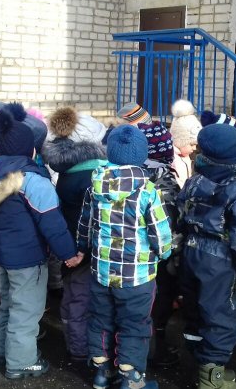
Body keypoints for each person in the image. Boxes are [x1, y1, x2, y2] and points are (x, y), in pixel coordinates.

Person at [0, 106, 80, 380]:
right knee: (26, 313)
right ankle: (22, 363)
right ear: (31, 150)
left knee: (8, 307)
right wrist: (69, 254)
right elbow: (52, 223)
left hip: (5, 258)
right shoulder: (34, 182)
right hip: (29, 260)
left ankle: (6, 353)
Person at [77, 125, 172, 389]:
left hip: (102, 272)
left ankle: (101, 372)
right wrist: (164, 253)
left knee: (101, 319)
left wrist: (82, 247)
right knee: (135, 325)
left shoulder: (94, 187)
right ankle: (130, 377)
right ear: (142, 155)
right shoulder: (147, 190)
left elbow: (85, 224)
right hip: (137, 276)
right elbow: (160, 231)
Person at [177, 124, 236, 389]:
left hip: (190, 252)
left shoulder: (193, 182)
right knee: (220, 315)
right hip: (218, 259)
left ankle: (200, 361)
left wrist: (177, 254)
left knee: (194, 309)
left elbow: (180, 219)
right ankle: (211, 378)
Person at [43, 106, 107, 362]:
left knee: (74, 297)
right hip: (89, 251)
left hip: (72, 247)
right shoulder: (94, 176)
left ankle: (77, 344)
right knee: (85, 300)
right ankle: (84, 350)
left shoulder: (68, 173)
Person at [138, 120, 182, 368]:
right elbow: (170, 226)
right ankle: (153, 351)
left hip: (131, 256)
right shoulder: (165, 182)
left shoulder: (129, 174)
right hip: (159, 257)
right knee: (158, 304)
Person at [170, 99, 202, 188]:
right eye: (191, 144)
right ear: (180, 142)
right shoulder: (172, 160)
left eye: (195, 145)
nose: (194, 148)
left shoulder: (185, 156)